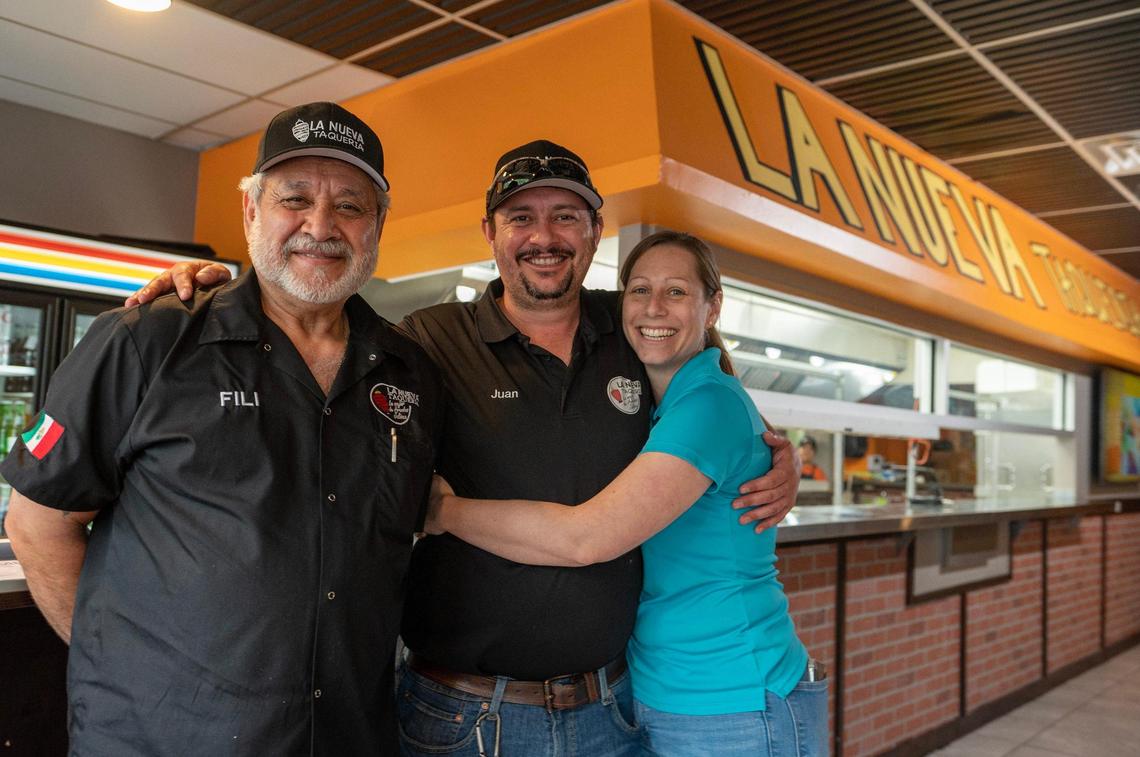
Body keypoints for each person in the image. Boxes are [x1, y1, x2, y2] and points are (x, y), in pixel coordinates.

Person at [130, 140, 802, 756]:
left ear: (595, 232)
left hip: (614, 711)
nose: (544, 236)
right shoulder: (427, 341)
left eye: (567, 216)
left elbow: (703, 379)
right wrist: (235, 293)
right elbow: (310, 354)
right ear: (490, 233)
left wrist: (776, 452)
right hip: (465, 717)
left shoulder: (627, 323)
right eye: (520, 217)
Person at [1, 102, 443, 754]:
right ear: (251, 212)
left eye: (350, 205)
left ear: (378, 224)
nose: (320, 225)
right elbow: (38, 520)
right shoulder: (150, 341)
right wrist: (125, 664)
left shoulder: (410, 376)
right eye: (295, 198)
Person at [426, 230, 827, 756]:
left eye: (678, 292)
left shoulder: (707, 405)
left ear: (713, 308)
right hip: (666, 698)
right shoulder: (674, 401)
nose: (654, 307)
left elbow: (586, 539)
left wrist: (444, 511)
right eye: (639, 291)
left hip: (734, 697)